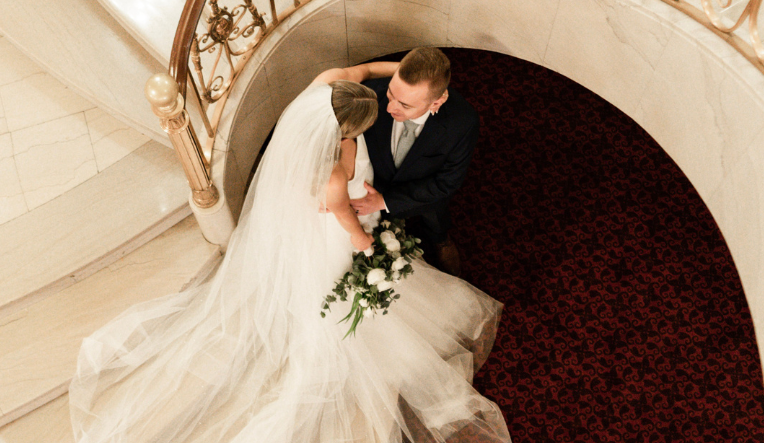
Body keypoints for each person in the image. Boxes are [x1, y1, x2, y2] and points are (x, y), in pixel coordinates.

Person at [69, 73, 510, 443]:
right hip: (337, 237)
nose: (386, 108)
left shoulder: (323, 94)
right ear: (343, 130)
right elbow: (355, 235)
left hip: (322, 224)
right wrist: (380, 252)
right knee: (358, 316)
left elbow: (353, 73)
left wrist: (405, 73)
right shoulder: (333, 180)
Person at [340, 47, 477, 276]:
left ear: (437, 101)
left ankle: (441, 240)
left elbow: (447, 183)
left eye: (404, 105)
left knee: (435, 217)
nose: (389, 107)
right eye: (392, 94)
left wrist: (385, 200)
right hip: (374, 178)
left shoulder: (463, 123)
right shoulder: (372, 94)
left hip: (426, 194)